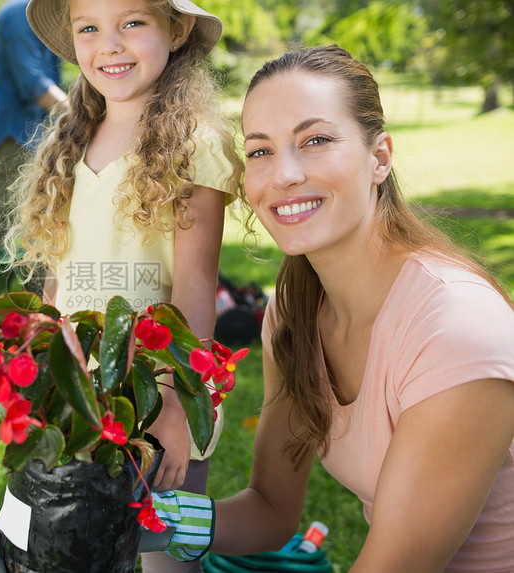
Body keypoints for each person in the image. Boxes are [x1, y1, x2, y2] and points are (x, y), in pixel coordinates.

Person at [143, 45, 514, 572]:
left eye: (315, 140)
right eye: (260, 151)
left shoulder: (455, 329)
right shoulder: (295, 313)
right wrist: (142, 517)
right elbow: (271, 511)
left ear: (379, 157)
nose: (284, 175)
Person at [0, 1, 242, 572]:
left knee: (162, 556)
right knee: (62, 550)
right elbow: (59, 282)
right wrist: (40, 381)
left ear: (177, 29)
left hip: (157, 395)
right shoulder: (67, 139)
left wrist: (179, 405)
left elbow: (195, 286)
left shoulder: (195, 141)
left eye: (132, 22)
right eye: (90, 28)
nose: (109, 44)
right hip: (76, 400)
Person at [0, 0, 68, 251]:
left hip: (42, 130)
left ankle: (38, 287)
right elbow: (33, 83)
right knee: (6, 215)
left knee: (45, 214)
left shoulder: (48, 16)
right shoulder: (19, 15)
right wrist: (79, 112)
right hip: (20, 135)